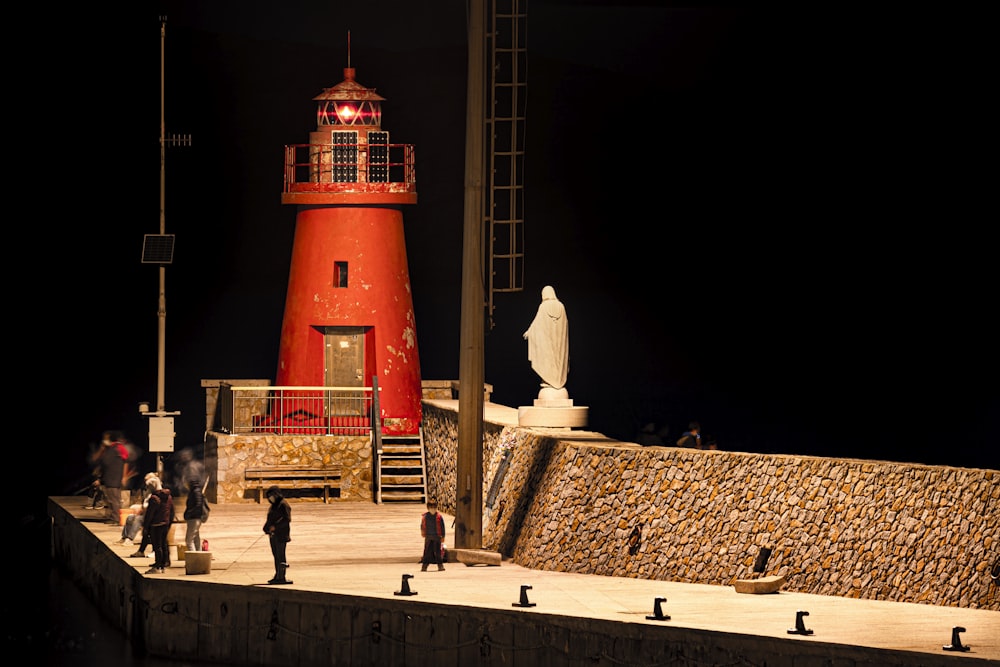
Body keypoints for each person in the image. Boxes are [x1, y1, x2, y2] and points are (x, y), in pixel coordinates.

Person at [523, 285, 569, 391]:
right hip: (559, 342)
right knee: (558, 359)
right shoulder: (561, 306)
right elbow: (565, 325)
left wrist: (529, 332)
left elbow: (537, 323)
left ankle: (549, 379)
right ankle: (558, 378)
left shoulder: (544, 307)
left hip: (548, 342)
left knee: (547, 358)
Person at [91, 430, 129, 524]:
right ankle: (114, 517)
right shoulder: (116, 449)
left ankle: (115, 518)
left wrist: (100, 477)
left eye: (106, 438)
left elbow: (105, 463)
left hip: (112, 478)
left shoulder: (114, 449)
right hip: (113, 478)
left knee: (113, 499)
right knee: (113, 499)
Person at [116, 472, 159, 548]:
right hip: (146, 514)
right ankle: (124, 537)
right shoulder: (148, 493)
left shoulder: (157, 494)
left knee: (138, 519)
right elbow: (145, 504)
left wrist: (143, 509)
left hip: (152, 516)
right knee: (130, 517)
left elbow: (152, 508)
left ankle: (130, 539)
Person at [143, 475, 174, 574]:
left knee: (157, 546)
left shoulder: (154, 498)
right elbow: (172, 510)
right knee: (164, 544)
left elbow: (149, 514)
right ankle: (164, 563)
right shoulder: (168, 496)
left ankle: (158, 566)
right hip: (165, 523)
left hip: (156, 525)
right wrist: (169, 521)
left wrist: (146, 526)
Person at [263, 486, 292, 584]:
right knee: (276, 555)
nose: (270, 498)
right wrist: (266, 528)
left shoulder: (284, 505)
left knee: (281, 556)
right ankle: (277, 574)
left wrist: (276, 527)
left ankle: (282, 576)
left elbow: (287, 519)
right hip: (273, 535)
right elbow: (269, 519)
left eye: (271, 496)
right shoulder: (273, 506)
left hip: (281, 535)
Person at [420, 498, 446, 572]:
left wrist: (443, 536)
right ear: (428, 508)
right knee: (427, 552)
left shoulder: (439, 517)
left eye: (434, 507)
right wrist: (422, 532)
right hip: (428, 537)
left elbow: (442, 527)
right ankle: (424, 566)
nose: (433, 509)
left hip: (437, 537)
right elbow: (422, 525)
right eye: (431, 508)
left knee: (438, 552)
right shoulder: (425, 517)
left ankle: (440, 566)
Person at [183, 475, 206, 554]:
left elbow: (198, 505)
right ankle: (199, 556)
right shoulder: (195, 491)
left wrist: (188, 514)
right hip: (194, 518)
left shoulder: (195, 492)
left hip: (194, 518)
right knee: (196, 539)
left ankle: (194, 559)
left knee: (189, 541)